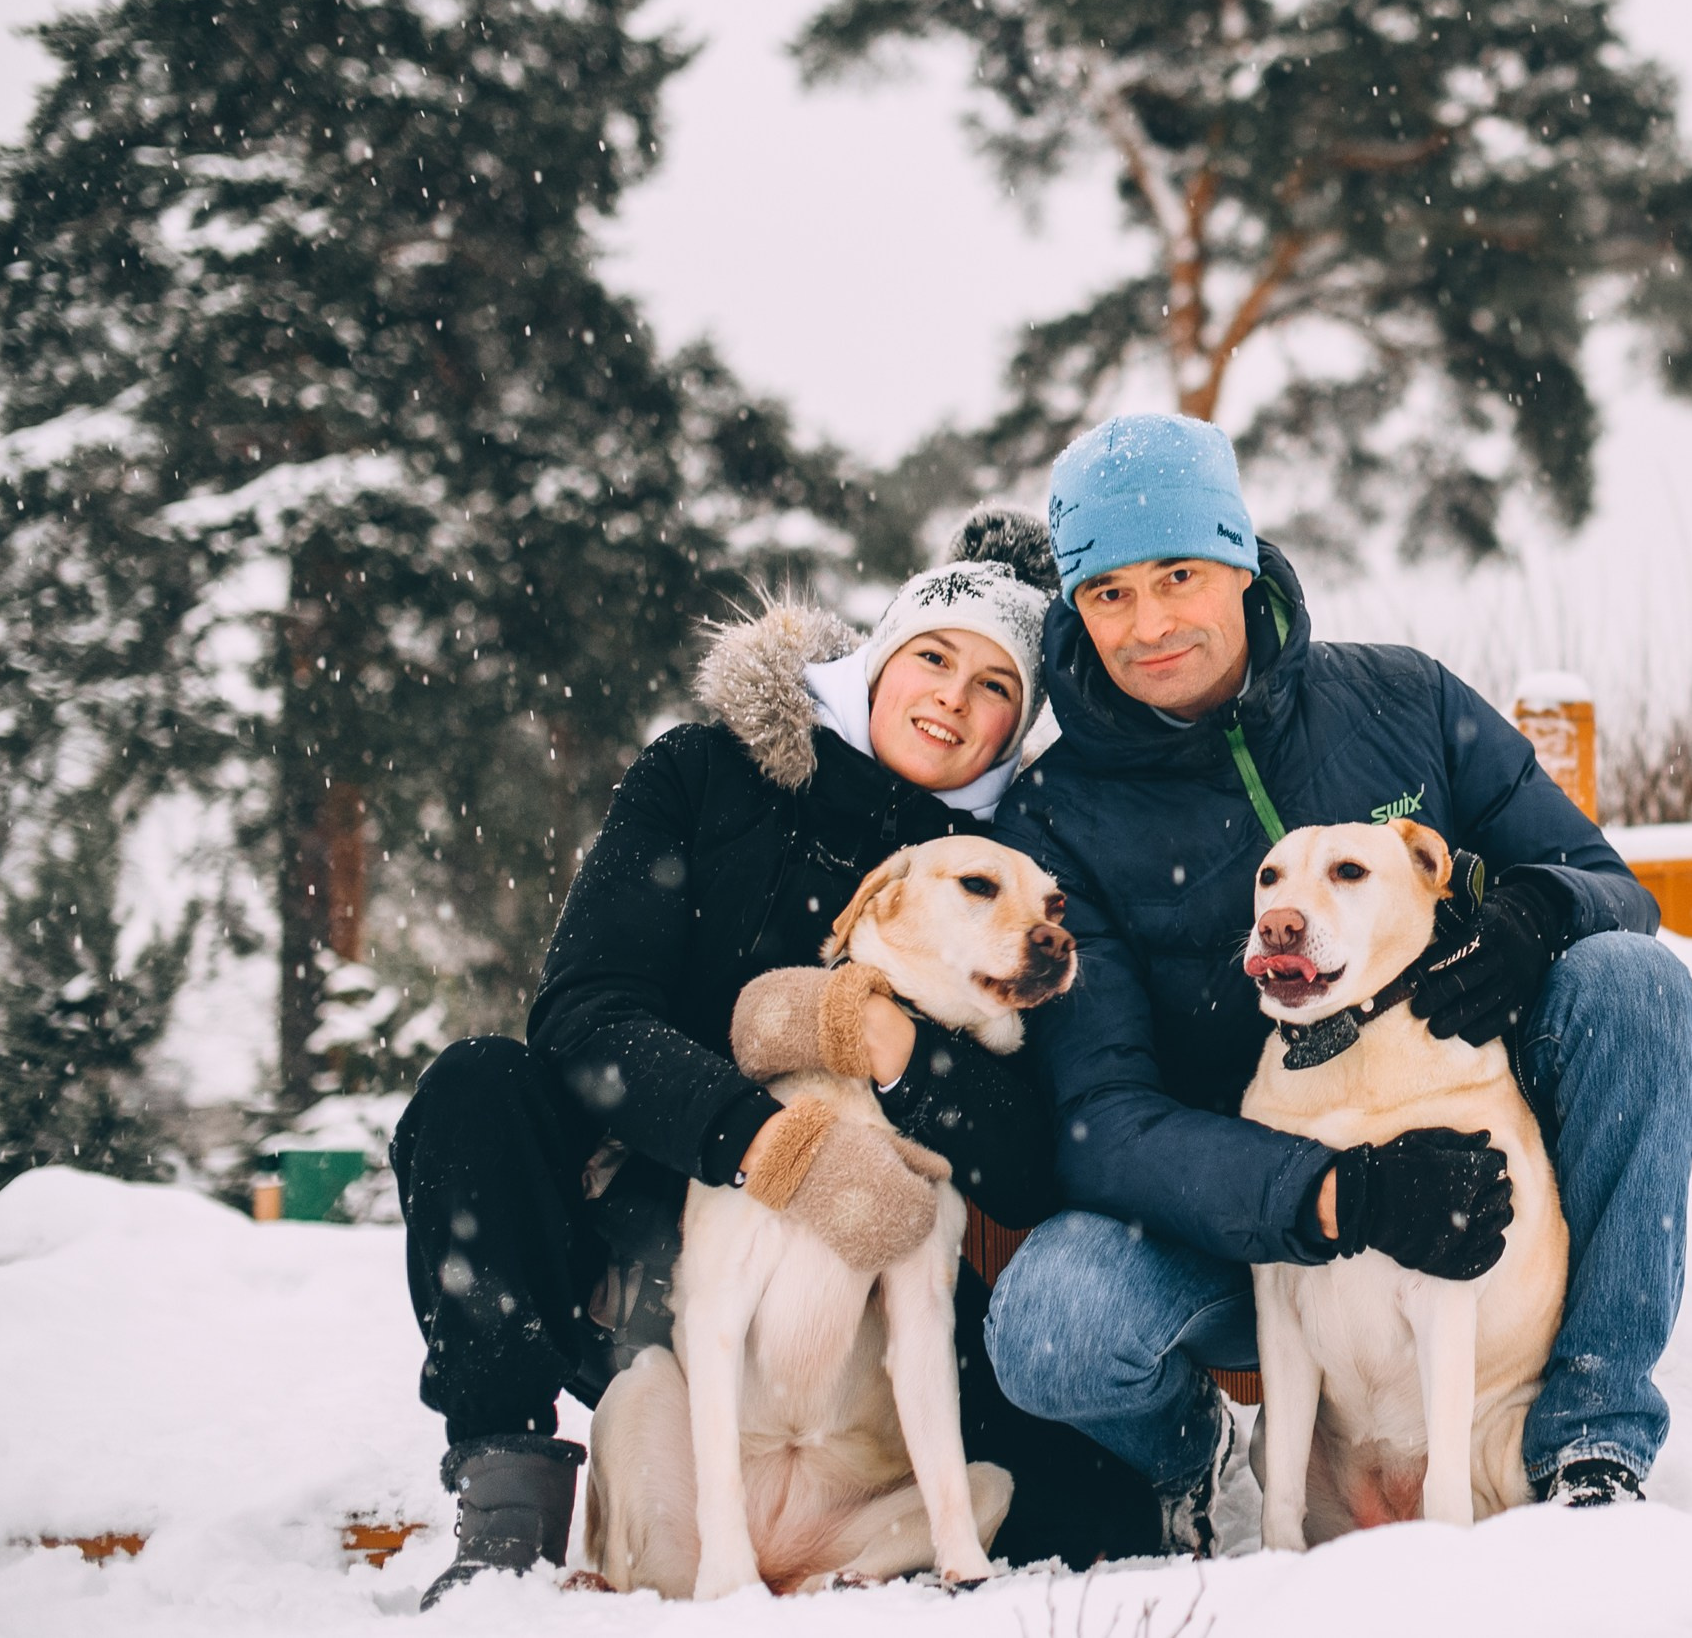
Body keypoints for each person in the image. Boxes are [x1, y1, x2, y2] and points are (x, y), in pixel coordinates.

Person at [388, 509, 1149, 1608]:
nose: (952, 697)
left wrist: (900, 1057)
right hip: (646, 1251)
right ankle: (507, 1499)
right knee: (477, 1088)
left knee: (1096, 1516)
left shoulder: (1005, 873)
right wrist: (763, 1142)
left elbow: (1031, 1156)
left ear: (1015, 727)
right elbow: (587, 1016)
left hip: (871, 1287)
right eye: (933, 657)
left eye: (996, 686)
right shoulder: (706, 775)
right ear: (879, 657)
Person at [985, 417, 1692, 1554]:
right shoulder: (1056, 816)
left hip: (1467, 1180)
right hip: (1240, 1212)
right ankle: (1191, 1463)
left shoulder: (1401, 698)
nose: (1150, 623)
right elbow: (1103, 1120)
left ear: (1239, 559)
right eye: (1108, 593)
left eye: (1178, 575)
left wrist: (1532, 915)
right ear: (1076, 605)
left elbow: (1609, 885)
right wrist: (1329, 1193)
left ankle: (1588, 1437)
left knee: (1632, 982)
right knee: (1052, 1327)